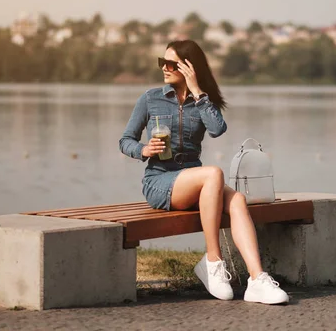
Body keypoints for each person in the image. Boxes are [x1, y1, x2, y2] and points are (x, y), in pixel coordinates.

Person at [119, 39, 289, 305]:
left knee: (237, 200)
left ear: (189, 67)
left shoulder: (202, 101)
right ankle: (213, 260)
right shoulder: (150, 98)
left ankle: (257, 279)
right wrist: (144, 150)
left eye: (171, 63)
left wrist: (198, 92)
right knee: (213, 174)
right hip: (160, 181)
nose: (164, 67)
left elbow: (217, 129)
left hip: (195, 181)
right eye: (161, 62)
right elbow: (125, 140)